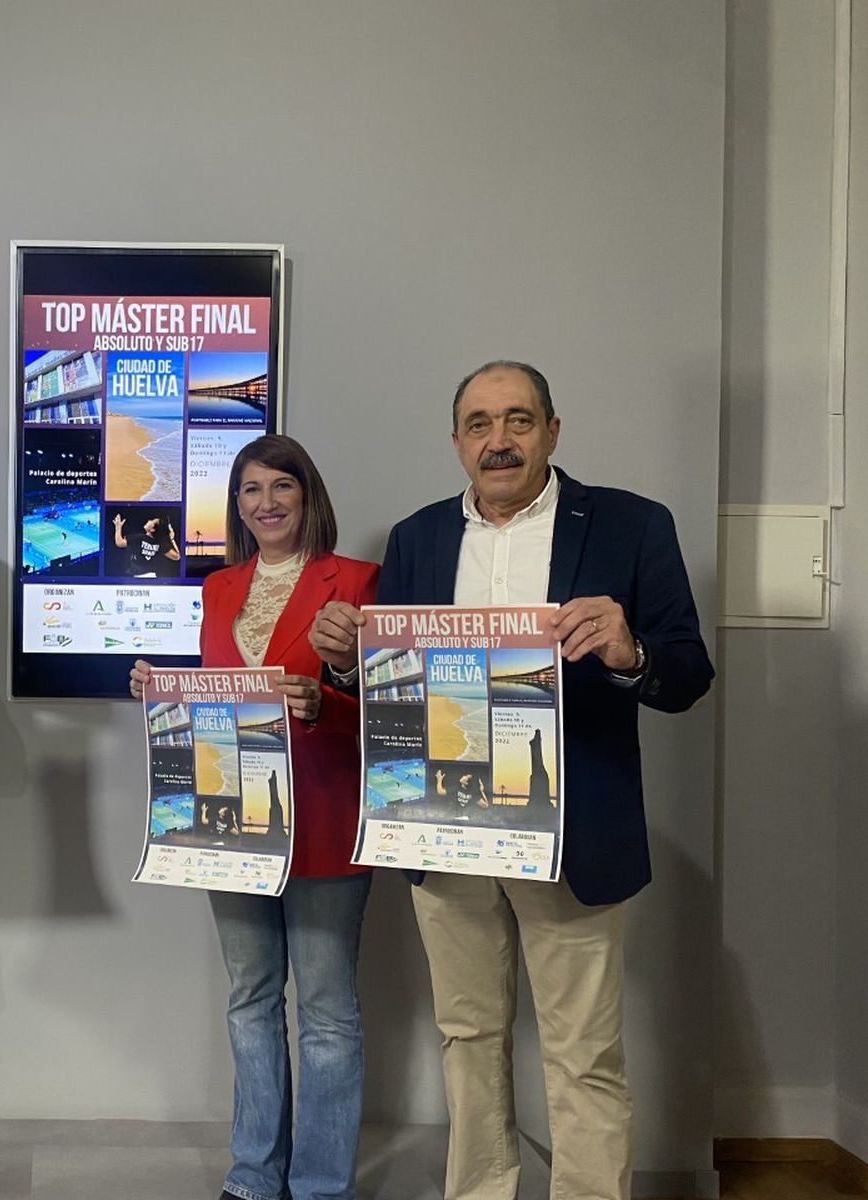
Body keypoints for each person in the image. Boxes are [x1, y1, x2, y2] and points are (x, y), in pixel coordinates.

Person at [310, 361, 714, 1200]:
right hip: (444, 828)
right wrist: (346, 664)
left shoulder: (632, 526)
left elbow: (687, 673)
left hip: (574, 833)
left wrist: (630, 651)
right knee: (467, 1035)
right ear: (456, 441)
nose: (500, 441)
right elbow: (394, 681)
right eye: (481, 424)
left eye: (519, 421)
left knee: (584, 1053)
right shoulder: (417, 537)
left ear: (553, 432)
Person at [130, 434, 379, 1200]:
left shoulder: (360, 581)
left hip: (327, 819)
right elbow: (219, 697)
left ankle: (321, 1185)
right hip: (230, 822)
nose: (265, 503)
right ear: (235, 505)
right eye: (250, 491)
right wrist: (162, 691)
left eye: (281, 487)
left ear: (309, 496)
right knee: (249, 999)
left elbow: (395, 708)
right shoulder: (218, 587)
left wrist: (325, 702)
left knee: (328, 1012)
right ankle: (253, 1175)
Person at [113, 511, 180, 576]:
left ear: (152, 529)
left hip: (137, 575)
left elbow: (119, 543)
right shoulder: (161, 544)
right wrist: (172, 538)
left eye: (152, 521)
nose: (149, 520)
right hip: (151, 576)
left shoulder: (139, 538)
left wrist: (118, 527)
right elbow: (177, 557)